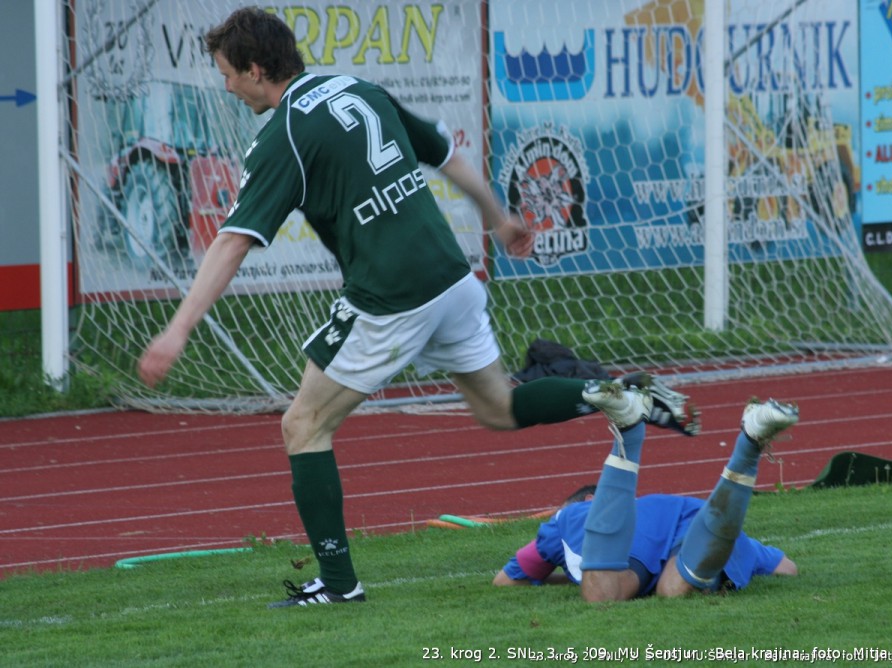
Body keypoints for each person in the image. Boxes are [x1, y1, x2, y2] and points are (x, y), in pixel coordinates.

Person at [136, 7, 701, 607]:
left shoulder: (284, 135)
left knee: (303, 426)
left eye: (228, 74)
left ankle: (337, 585)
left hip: (391, 296)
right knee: (500, 406)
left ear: (254, 69)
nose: (226, 87)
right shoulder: (357, 88)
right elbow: (444, 150)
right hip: (451, 276)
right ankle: (610, 393)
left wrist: (176, 331)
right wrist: (498, 218)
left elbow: (232, 240)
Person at [493, 392, 800, 600]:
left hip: (690, 525)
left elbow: (505, 581)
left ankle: (628, 434)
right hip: (702, 519)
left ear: (591, 503)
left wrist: (560, 571)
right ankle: (750, 439)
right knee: (672, 587)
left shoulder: (564, 521)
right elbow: (786, 568)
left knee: (609, 595)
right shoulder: (658, 510)